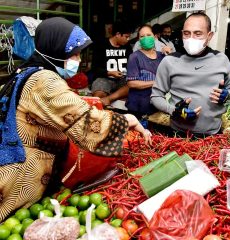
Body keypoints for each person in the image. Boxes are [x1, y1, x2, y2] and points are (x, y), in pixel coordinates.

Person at [0, 17, 151, 222]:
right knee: (13, 223)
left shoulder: (26, 71)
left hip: (12, 161)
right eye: (74, 54)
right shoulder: (45, 81)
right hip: (19, 175)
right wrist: (126, 121)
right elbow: (85, 123)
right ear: (55, 49)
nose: (77, 60)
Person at [150, 12, 230, 136]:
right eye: (187, 33)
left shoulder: (221, 59)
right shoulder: (170, 61)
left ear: (209, 35)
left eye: (198, 34)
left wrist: (226, 95)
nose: (191, 38)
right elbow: (155, 97)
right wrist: (174, 111)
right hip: (178, 134)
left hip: (213, 134)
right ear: (182, 34)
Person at [126, 24, 164, 119]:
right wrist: (156, 82)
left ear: (155, 37)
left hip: (157, 106)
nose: (145, 38)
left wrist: (170, 54)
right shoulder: (134, 57)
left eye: (148, 35)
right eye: (142, 36)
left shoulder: (162, 56)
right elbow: (132, 83)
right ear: (139, 39)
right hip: (138, 106)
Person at [91, 22, 132, 106]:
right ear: (117, 34)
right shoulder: (101, 45)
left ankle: (108, 99)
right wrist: (110, 73)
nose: (128, 39)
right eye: (126, 37)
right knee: (98, 96)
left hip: (123, 80)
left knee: (133, 86)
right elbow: (94, 68)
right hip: (105, 79)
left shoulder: (127, 47)